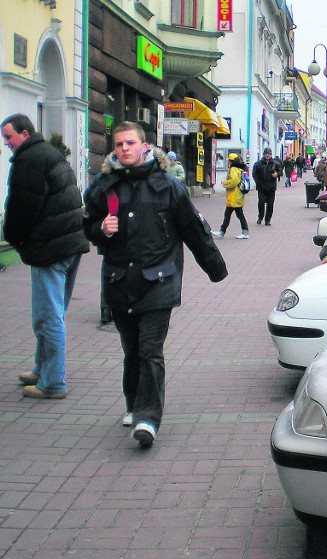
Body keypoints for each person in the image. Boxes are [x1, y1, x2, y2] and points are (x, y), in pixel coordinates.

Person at [82, 121, 228, 448]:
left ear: (145, 146)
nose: (124, 149)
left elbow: (193, 230)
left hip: (159, 281)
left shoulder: (167, 186)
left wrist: (215, 269)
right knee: (132, 350)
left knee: (150, 350)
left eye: (130, 143)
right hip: (120, 282)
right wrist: (100, 229)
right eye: (118, 144)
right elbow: (86, 225)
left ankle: (148, 418)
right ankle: (134, 405)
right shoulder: (103, 186)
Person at [1, 113, 90, 399]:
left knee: (46, 316)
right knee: (53, 313)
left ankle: (52, 383)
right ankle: (41, 368)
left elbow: (21, 207)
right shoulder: (50, 153)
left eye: (8, 137)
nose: (6, 143)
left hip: (49, 247)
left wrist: (14, 238)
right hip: (70, 243)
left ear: (24, 134)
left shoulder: (29, 160)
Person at [212, 153, 250, 239]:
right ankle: (244, 231)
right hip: (238, 196)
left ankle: (222, 232)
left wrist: (225, 183)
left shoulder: (233, 169)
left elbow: (234, 181)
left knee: (229, 215)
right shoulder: (240, 169)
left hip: (233, 196)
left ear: (231, 161)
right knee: (238, 215)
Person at [252, 147, 278, 226]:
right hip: (261, 187)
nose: (267, 155)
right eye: (266, 154)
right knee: (261, 202)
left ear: (271, 155)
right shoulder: (258, 163)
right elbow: (254, 174)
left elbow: (280, 171)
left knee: (270, 204)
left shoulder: (275, 163)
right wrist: (258, 183)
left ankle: (267, 220)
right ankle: (260, 217)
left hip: (271, 187)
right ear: (263, 154)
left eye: (269, 154)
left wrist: (277, 174)